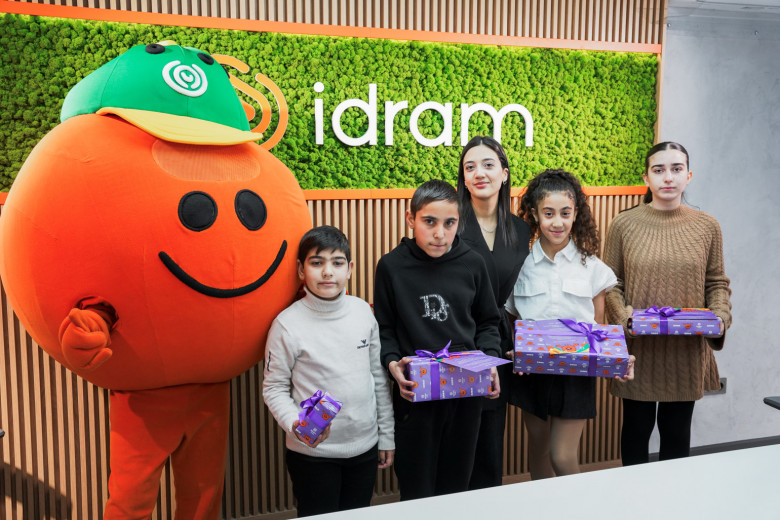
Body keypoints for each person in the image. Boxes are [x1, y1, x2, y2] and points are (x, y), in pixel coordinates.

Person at [603, 141, 731, 466]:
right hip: (638, 351)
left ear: (689, 175)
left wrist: (720, 317)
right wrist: (624, 319)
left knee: (676, 433)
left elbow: (716, 282)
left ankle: (674, 496)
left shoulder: (707, 226)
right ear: (646, 178)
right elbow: (611, 284)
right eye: (659, 170)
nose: (668, 177)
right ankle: (633, 496)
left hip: (686, 353)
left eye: (676, 169)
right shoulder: (624, 224)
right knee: (636, 430)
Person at [374, 179, 502, 500]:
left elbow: (488, 322)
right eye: (429, 222)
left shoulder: (473, 262)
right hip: (414, 396)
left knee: (456, 488)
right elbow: (384, 328)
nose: (440, 234)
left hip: (465, 395)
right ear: (410, 218)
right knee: (416, 489)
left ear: (459, 221)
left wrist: (489, 358)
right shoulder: (391, 267)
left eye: (449, 223)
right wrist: (392, 363)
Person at [505, 169, 633, 480]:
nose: (557, 222)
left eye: (565, 213)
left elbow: (598, 327)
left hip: (576, 374)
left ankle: (577, 504)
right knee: (538, 452)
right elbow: (511, 320)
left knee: (562, 456)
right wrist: (513, 350)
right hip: (532, 372)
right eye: (548, 213)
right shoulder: (519, 266)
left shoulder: (593, 268)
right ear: (534, 214)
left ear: (576, 214)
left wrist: (616, 359)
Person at [263, 225, 395, 517]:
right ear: (301, 270)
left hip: (365, 447)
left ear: (349, 269)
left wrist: (386, 435)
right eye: (317, 262)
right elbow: (273, 388)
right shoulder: (286, 325)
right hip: (313, 455)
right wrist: (295, 424)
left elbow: (377, 378)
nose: (327, 272)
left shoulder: (363, 312)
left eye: (337, 263)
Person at [456, 136, 531, 490]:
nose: (479, 173)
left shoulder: (520, 229)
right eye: (470, 167)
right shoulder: (450, 223)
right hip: (455, 340)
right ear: (463, 178)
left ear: (504, 173)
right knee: (457, 450)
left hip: (498, 342)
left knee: (489, 446)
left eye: (488, 165)